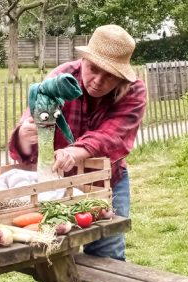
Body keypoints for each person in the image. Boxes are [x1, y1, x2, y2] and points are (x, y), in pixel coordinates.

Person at [8, 25, 147, 261]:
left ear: (122, 76)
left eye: (110, 75)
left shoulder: (133, 92)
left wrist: (76, 151)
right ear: (84, 59)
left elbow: (112, 136)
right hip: (56, 183)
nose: (98, 81)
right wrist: (24, 135)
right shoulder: (61, 79)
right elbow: (35, 113)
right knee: (59, 254)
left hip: (106, 181)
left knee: (107, 253)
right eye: (93, 69)